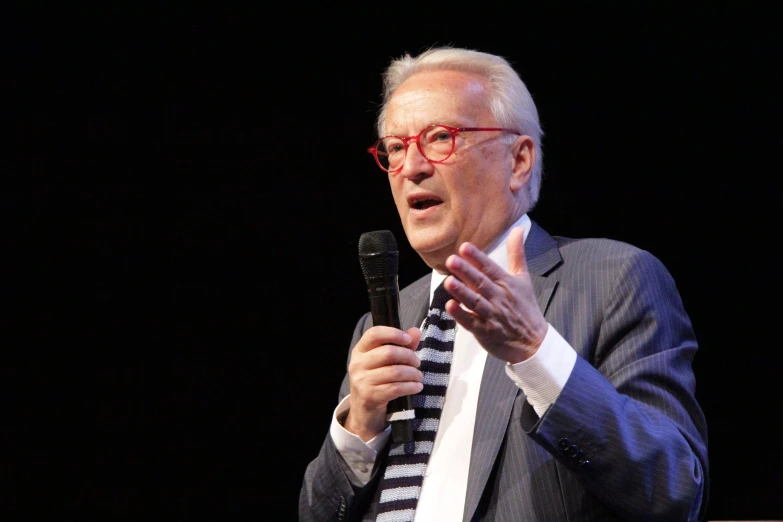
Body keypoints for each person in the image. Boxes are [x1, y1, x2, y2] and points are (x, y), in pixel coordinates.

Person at [299, 46, 709, 521]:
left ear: (518, 161)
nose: (411, 167)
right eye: (395, 148)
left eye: (439, 137)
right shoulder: (383, 323)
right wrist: (358, 429)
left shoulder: (613, 278)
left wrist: (535, 351)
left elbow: (675, 489)